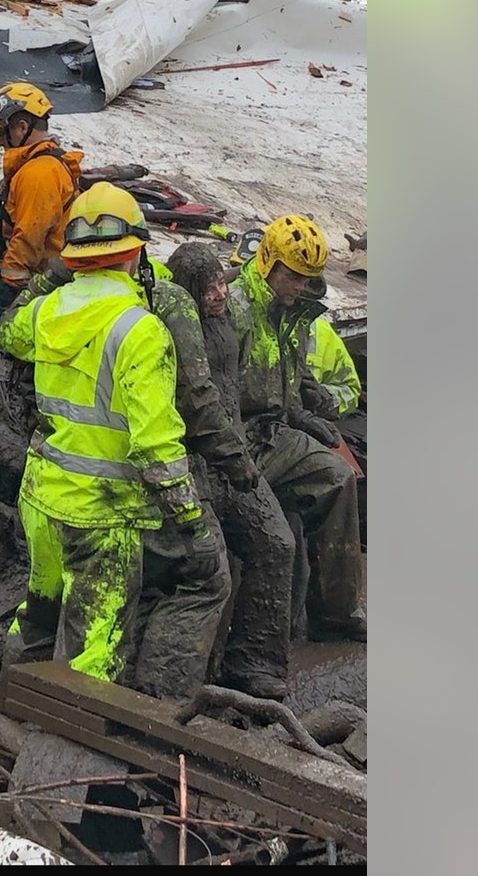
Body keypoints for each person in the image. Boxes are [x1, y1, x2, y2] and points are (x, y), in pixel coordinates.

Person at [0, 184, 228, 694]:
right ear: (137, 252)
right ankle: (62, 762)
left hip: (42, 499)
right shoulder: (141, 329)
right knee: (94, 652)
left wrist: (49, 280)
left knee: (37, 617)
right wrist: (192, 525)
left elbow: (7, 331)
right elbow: (157, 448)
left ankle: (7, 706)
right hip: (103, 516)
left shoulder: (46, 311)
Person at [166, 243, 300, 698]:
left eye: (224, 282)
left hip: (234, 454)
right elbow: (196, 401)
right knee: (209, 567)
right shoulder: (175, 330)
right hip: (199, 464)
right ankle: (188, 680)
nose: (222, 294)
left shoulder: (226, 323)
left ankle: (255, 662)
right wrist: (233, 456)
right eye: (211, 288)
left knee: (277, 541)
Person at [226, 215, 365, 642]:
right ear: (269, 263)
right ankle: (257, 639)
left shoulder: (292, 313)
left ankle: (335, 613)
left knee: (340, 478)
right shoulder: (233, 310)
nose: (300, 287)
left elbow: (292, 375)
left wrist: (312, 409)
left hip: (275, 432)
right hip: (237, 438)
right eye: (294, 277)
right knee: (277, 534)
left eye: (308, 280)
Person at [0, 83, 83, 340]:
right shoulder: (48, 163)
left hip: (49, 278)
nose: (1, 142)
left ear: (21, 127)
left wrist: (4, 299)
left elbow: (29, 238)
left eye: (3, 134)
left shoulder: (38, 174)